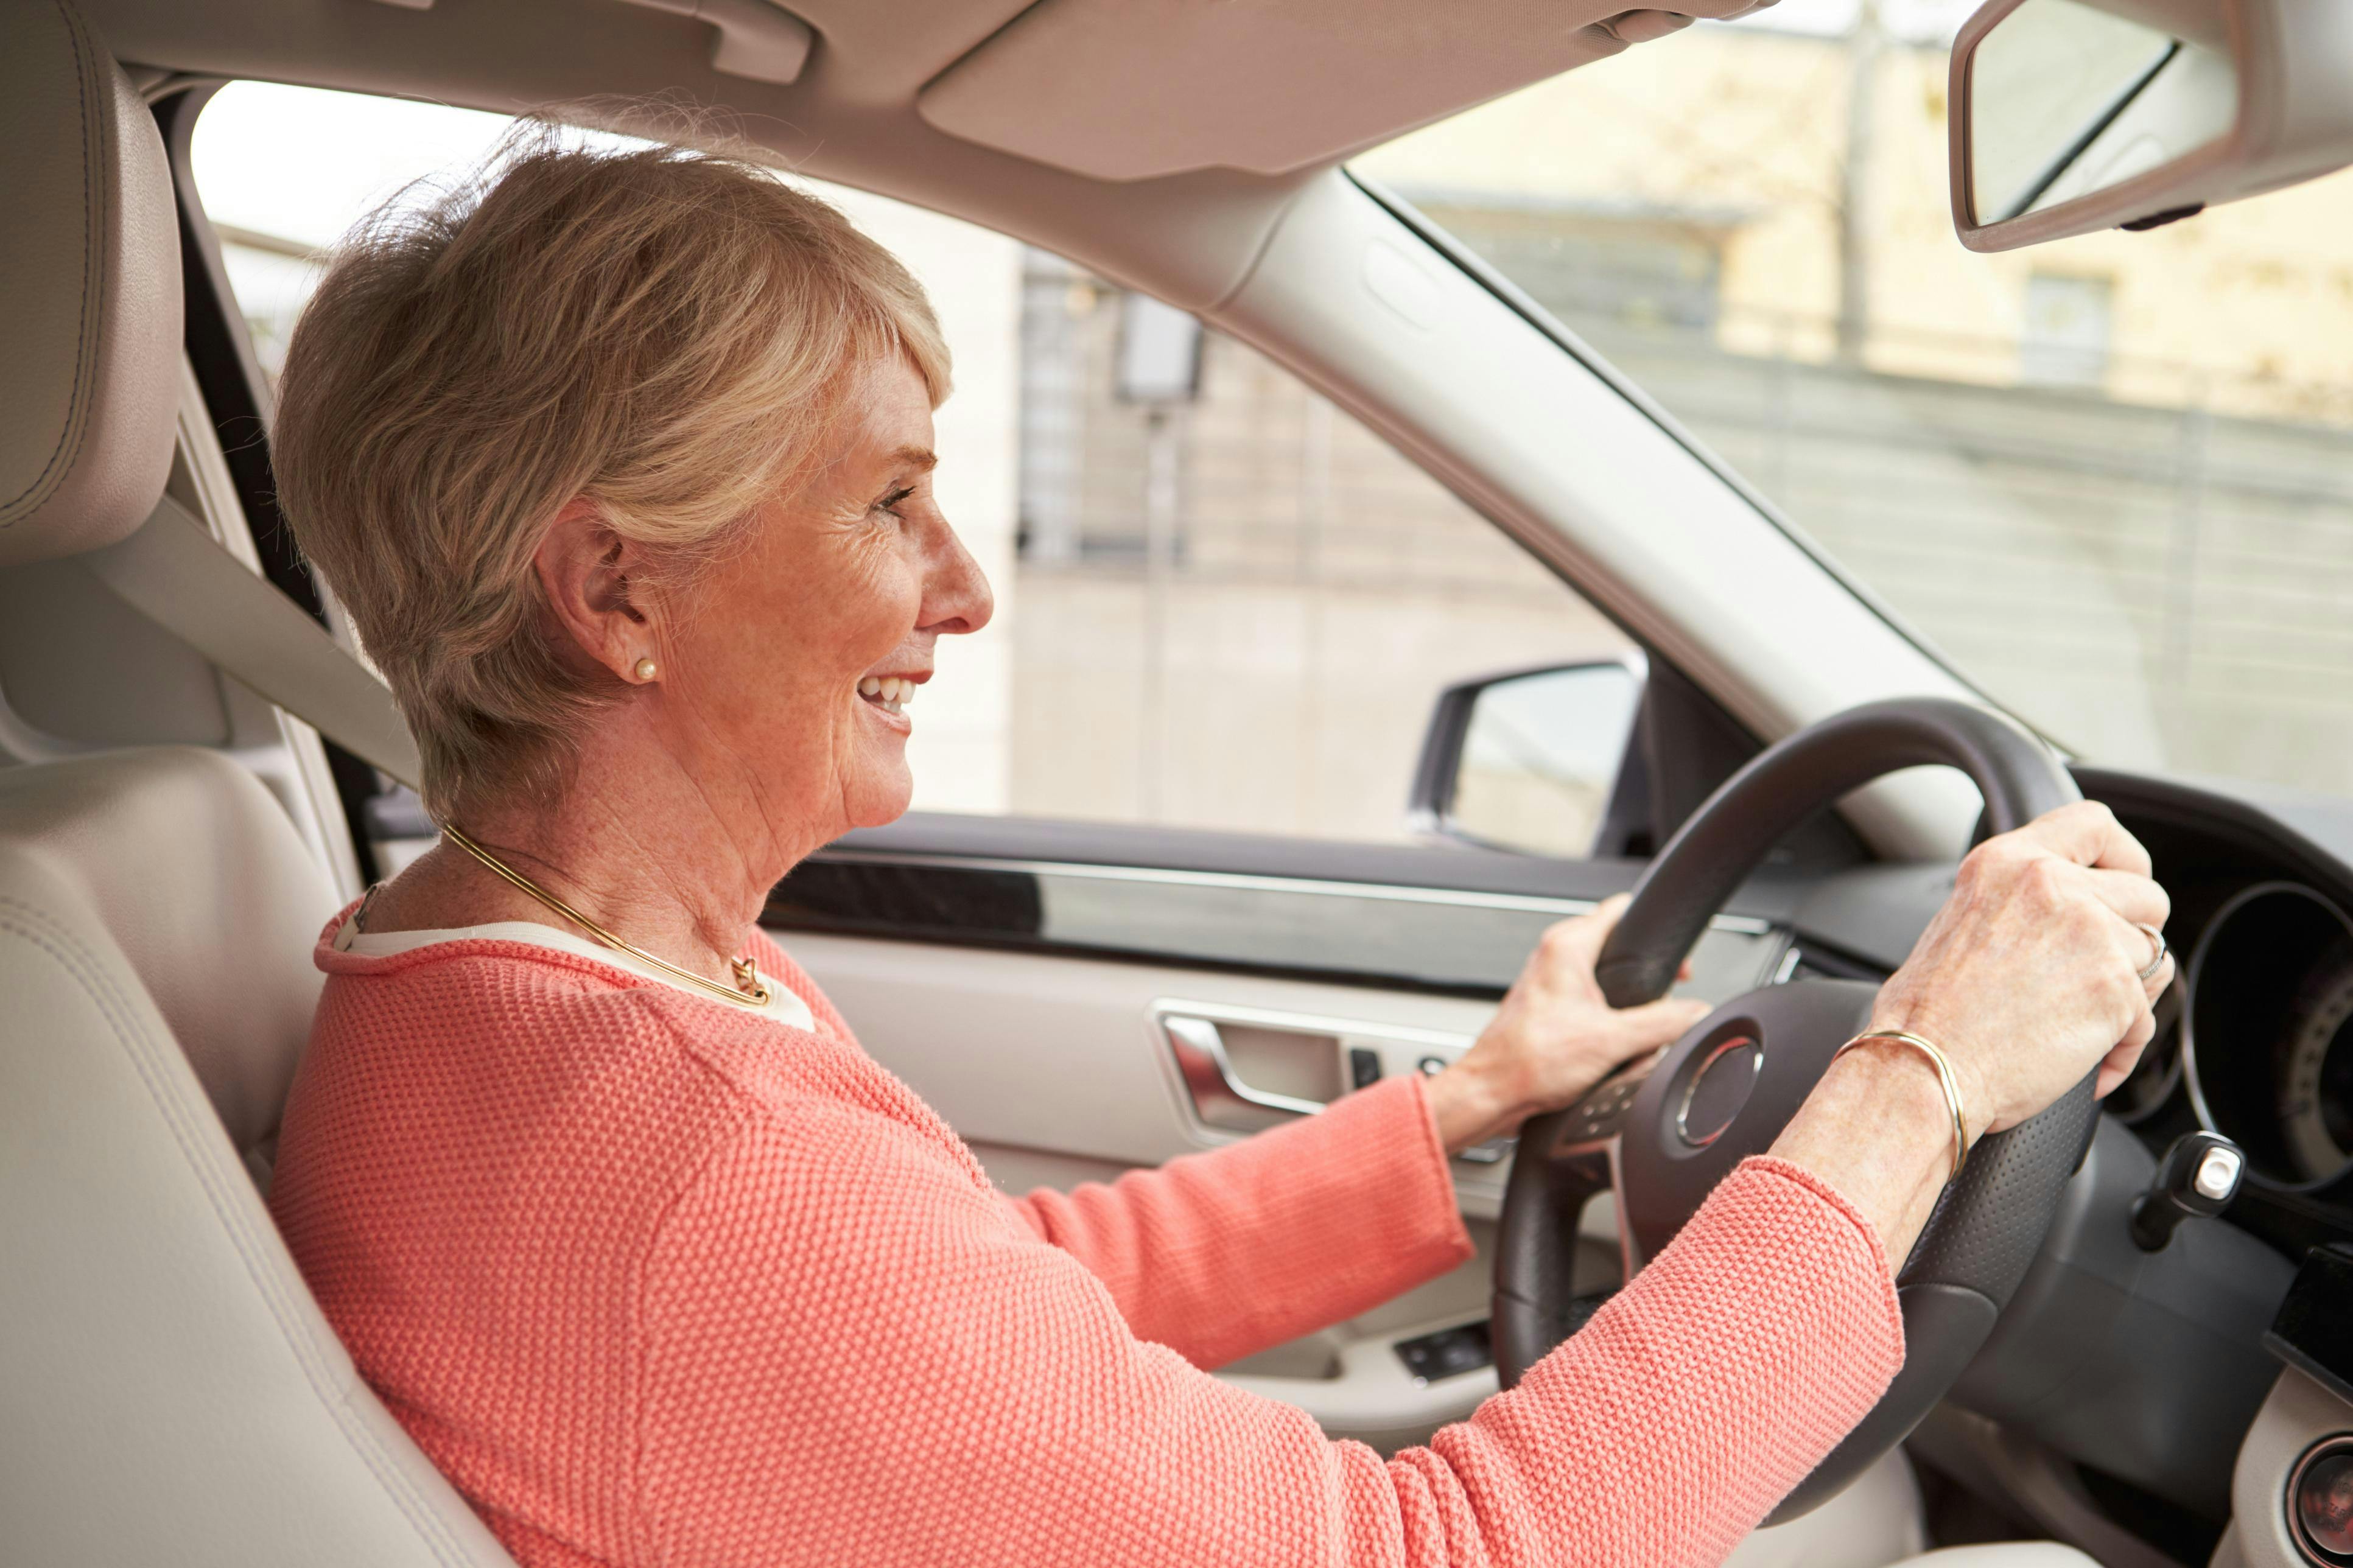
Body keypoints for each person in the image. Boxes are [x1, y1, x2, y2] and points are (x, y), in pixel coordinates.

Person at [264, 127, 2173, 1568]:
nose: (966, 591)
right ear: (615, 588)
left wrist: (1460, 1111)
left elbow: (992, 1293)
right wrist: (1918, 1075)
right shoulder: (684, 1157)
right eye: (890, 501)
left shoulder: (491, 975)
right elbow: (1455, 1551)